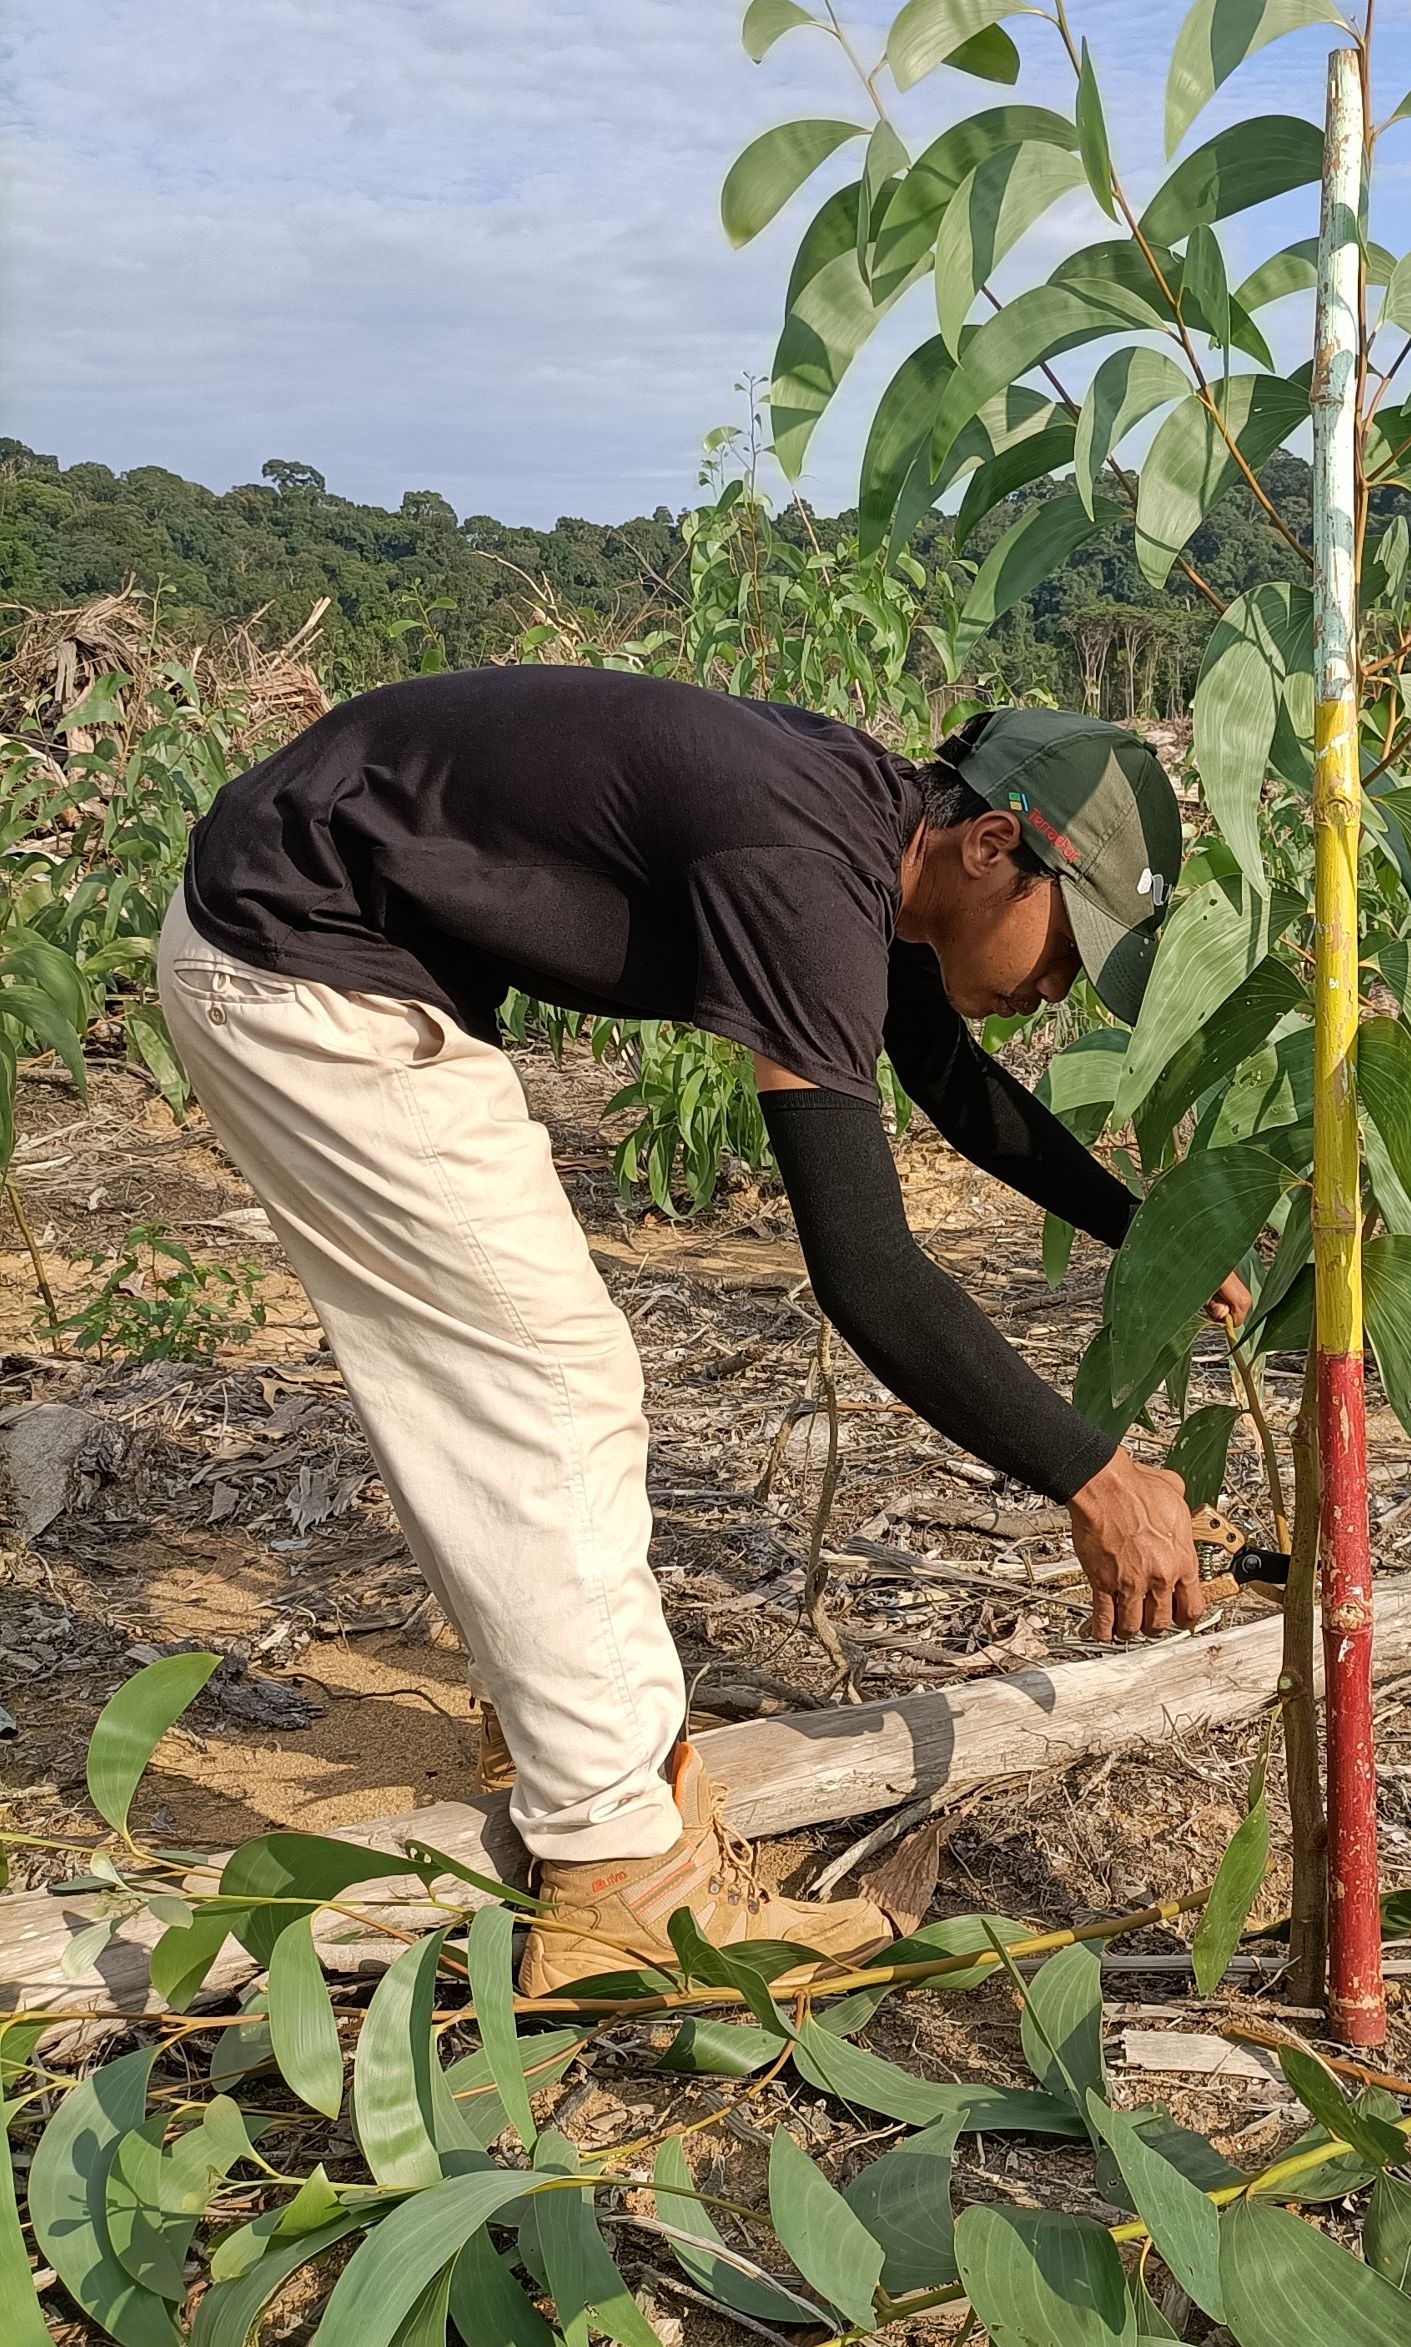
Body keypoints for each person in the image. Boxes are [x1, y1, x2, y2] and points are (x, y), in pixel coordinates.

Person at [158, 672, 1245, 1997]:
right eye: (1068, 946)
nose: (1059, 986)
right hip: (299, 962)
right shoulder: (804, 859)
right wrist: (1097, 1474)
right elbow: (870, 1272)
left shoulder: (868, 836)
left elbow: (951, 1084)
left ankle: (569, 1742)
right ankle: (620, 1876)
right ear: (992, 844)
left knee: (526, 1371)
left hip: (320, 941)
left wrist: (1138, 1229)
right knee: (549, 1378)